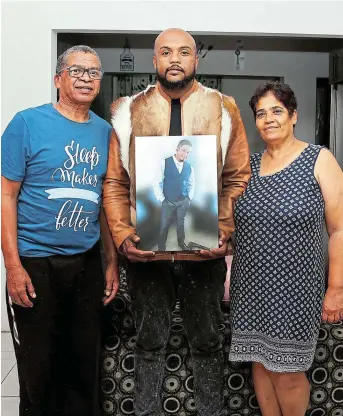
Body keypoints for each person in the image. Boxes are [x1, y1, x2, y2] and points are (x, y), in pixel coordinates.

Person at [103, 28, 250, 416]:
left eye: (183, 52)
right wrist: (121, 236)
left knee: (207, 342)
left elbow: (238, 178)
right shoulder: (127, 110)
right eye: (165, 52)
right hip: (145, 252)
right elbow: (116, 183)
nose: (174, 59)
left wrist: (225, 230)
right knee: (149, 342)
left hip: (204, 252)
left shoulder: (223, 107)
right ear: (154, 61)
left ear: (195, 60)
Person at [1, 45, 119, 416]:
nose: (86, 78)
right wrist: (12, 266)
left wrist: (111, 261)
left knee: (84, 366)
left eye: (94, 72)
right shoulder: (26, 123)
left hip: (86, 263)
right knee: (39, 371)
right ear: (58, 79)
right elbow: (6, 196)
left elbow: (105, 201)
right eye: (77, 71)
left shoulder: (106, 133)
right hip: (35, 262)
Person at [229, 80, 343, 416]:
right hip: (249, 288)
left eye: (276, 110)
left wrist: (336, 288)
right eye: (261, 113)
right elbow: (226, 223)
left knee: (288, 371)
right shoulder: (245, 167)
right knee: (260, 367)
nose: (268, 119)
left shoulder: (318, 159)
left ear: (293, 115)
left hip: (295, 292)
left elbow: (339, 229)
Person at [153, 139, 195, 250]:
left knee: (181, 224)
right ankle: (161, 247)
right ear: (177, 149)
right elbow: (157, 182)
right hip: (168, 201)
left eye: (188, 152)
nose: (185, 154)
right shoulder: (164, 163)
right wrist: (162, 199)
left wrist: (188, 198)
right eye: (183, 150)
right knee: (164, 226)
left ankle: (181, 243)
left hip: (183, 201)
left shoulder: (189, 167)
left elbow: (192, 184)